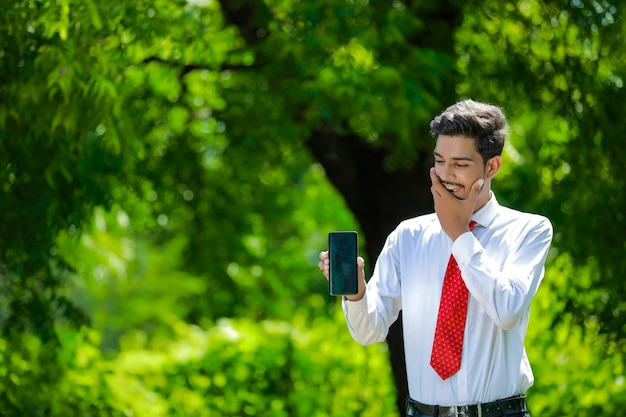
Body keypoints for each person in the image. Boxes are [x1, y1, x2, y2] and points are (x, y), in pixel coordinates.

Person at [318, 99, 553, 417]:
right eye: (439, 161)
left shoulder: (529, 230)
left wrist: (460, 235)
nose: (445, 174)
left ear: (492, 166)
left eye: (460, 164)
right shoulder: (408, 236)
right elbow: (369, 330)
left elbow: (507, 310)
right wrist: (356, 292)